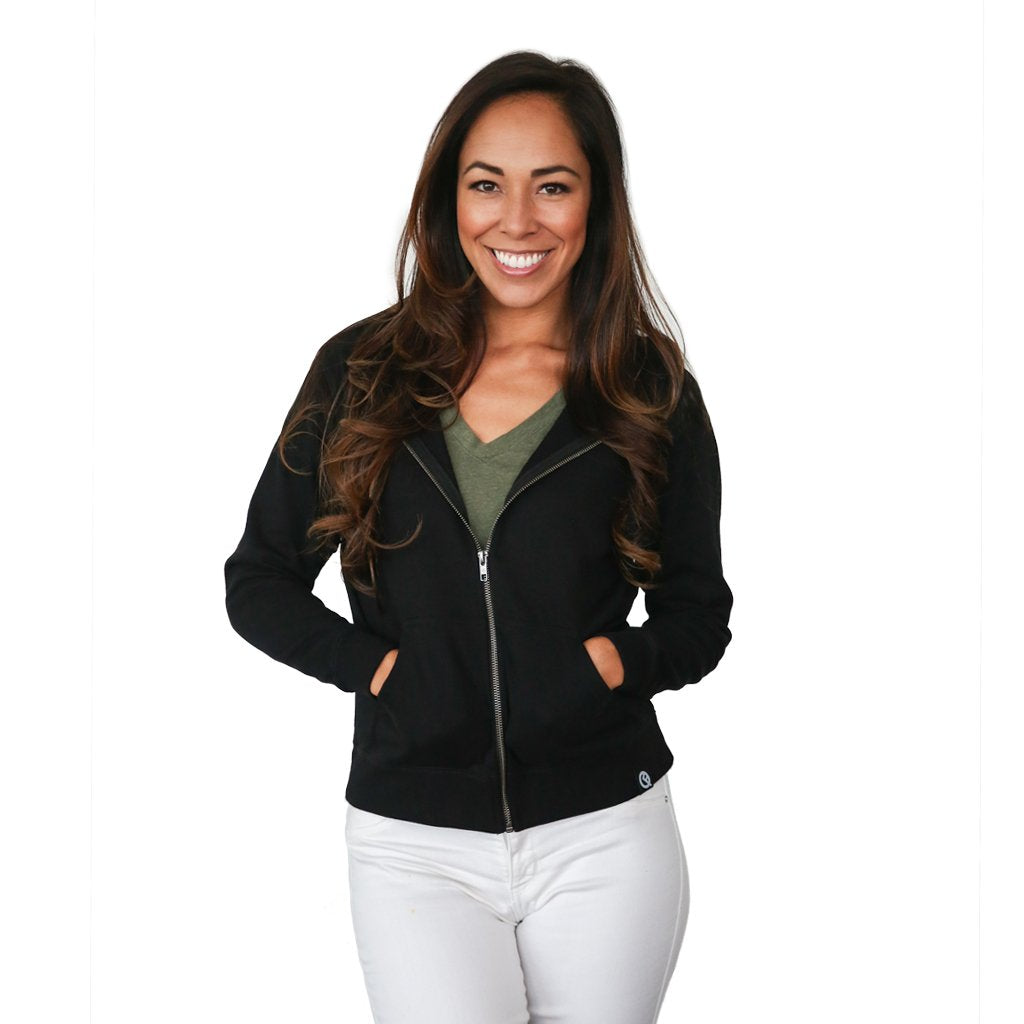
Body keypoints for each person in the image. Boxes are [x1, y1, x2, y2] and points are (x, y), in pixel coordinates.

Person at [224, 49, 733, 1024]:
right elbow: (259, 579)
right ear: (448, 199)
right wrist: (374, 668)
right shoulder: (361, 372)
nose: (517, 220)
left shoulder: (646, 388)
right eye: (486, 184)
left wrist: (619, 664)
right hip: (412, 839)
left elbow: (698, 613)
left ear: (596, 203)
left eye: (554, 186)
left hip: (605, 833)